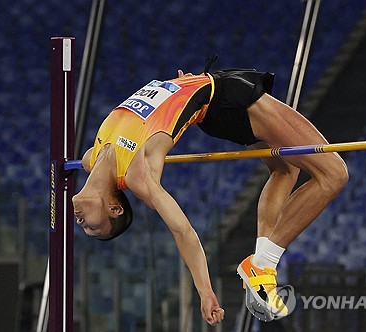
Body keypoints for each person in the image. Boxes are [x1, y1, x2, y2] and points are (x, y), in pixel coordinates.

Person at [72, 65, 348, 325]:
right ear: (115, 208)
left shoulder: (91, 159)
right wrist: (205, 291)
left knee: (284, 170)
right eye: (94, 227)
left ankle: (263, 272)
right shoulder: (138, 176)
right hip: (225, 98)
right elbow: (184, 232)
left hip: (213, 101)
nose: (82, 223)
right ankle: (263, 265)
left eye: (88, 227)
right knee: (334, 174)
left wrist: (181, 86)